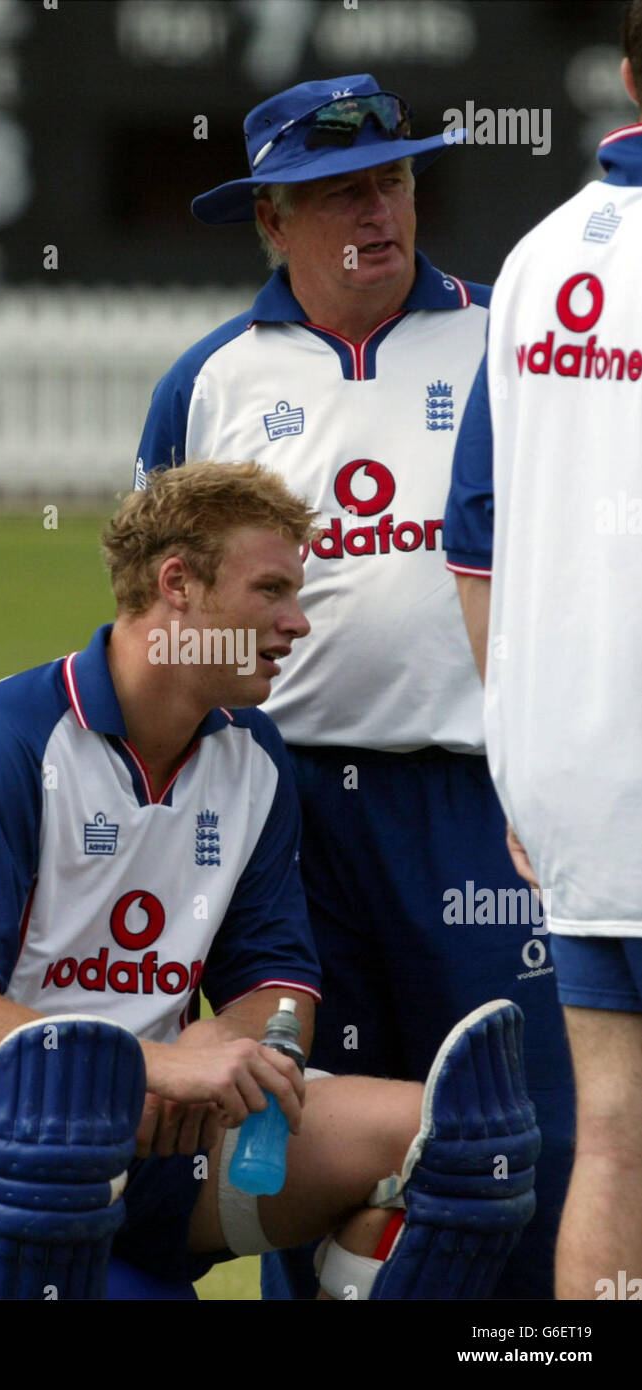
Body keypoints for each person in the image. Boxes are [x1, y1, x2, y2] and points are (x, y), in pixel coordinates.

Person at [0, 462, 539, 1301]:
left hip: (163, 1126)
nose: (296, 624)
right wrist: (149, 1066)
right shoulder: (4, 741)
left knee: (457, 1142)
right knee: (58, 1122)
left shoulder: (253, 755)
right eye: (270, 590)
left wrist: (232, 1047)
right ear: (178, 586)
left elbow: (277, 988)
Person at [135, 75, 574, 1300]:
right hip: (285, 818)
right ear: (271, 221)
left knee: (514, 1125)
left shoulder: (507, 340)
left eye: (387, 181)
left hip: (482, 808)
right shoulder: (211, 381)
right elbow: (155, 610)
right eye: (332, 195)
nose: (371, 212)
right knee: (304, 1134)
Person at [444, 4, 642, 1301]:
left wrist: (520, 747)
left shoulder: (530, 261)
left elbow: (473, 532)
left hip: (571, 776)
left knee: (614, 1129)